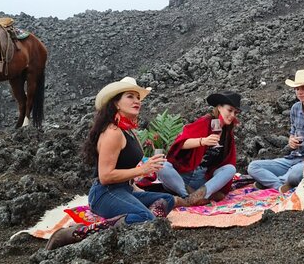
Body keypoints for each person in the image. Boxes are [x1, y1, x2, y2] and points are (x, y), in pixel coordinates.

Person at [46, 77, 176, 250]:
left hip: (125, 190)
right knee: (145, 218)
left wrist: (139, 190)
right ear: (116, 103)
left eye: (138, 97)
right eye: (130, 96)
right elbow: (105, 176)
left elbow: (127, 173)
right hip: (105, 194)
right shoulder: (112, 132)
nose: (137, 101)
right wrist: (142, 170)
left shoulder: (129, 131)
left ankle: (138, 220)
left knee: (166, 199)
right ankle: (79, 232)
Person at [247, 70, 304, 191]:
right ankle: (280, 186)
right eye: (297, 89)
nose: (299, 92)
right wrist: (291, 141)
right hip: (294, 158)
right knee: (253, 166)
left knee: (295, 174)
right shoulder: (295, 109)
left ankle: (271, 182)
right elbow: (293, 133)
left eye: (303, 88)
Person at [158, 91, 240, 205]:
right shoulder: (205, 121)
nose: (232, 115)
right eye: (230, 110)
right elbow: (181, 143)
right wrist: (203, 141)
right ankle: (189, 197)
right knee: (162, 166)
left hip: (202, 180)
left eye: (235, 113)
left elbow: (227, 161)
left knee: (230, 169)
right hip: (180, 177)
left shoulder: (227, 133)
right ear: (219, 107)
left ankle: (194, 196)